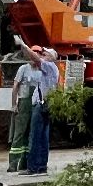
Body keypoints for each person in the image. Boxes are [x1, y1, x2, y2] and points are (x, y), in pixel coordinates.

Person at [24, 46, 59, 175]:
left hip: (41, 105)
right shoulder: (52, 68)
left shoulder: (49, 66)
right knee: (43, 137)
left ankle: (32, 167)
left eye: (45, 54)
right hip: (47, 104)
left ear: (51, 57)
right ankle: (41, 166)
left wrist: (23, 45)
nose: (42, 55)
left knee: (35, 136)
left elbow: (34, 58)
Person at [5, 49, 36, 173]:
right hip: (23, 104)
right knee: (19, 133)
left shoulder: (41, 69)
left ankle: (24, 163)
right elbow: (15, 87)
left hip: (35, 105)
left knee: (30, 134)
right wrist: (14, 104)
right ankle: (13, 163)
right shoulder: (23, 69)